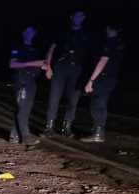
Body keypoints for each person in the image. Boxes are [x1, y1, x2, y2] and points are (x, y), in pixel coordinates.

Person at [43, 10, 91, 138]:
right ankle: (49, 127)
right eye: (76, 16)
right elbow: (51, 49)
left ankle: (66, 127)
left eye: (81, 16)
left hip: (77, 70)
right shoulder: (62, 32)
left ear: (84, 18)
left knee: (73, 100)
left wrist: (88, 77)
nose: (78, 18)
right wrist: (48, 66)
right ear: (71, 17)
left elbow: (90, 56)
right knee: (54, 98)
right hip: (60, 67)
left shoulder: (87, 35)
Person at [81, 22, 126, 143]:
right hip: (112, 78)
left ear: (108, 29)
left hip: (104, 78)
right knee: (101, 104)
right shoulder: (120, 43)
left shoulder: (110, 42)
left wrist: (91, 80)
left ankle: (98, 134)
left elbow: (103, 60)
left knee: (96, 104)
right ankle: (97, 132)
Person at [8, 25, 48, 145]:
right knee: (23, 108)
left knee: (25, 108)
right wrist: (34, 63)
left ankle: (14, 135)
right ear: (23, 32)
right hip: (21, 79)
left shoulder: (36, 49)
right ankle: (25, 135)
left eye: (32, 31)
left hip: (32, 80)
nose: (30, 33)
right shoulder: (17, 46)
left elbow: (43, 64)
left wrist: (43, 66)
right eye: (27, 31)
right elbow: (12, 64)